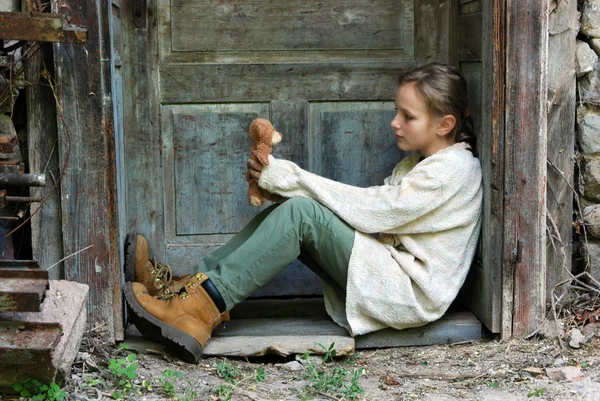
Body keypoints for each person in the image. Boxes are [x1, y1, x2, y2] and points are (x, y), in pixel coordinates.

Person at [123, 62, 483, 363]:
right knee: (298, 211)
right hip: (389, 272)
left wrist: (292, 178)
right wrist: (285, 189)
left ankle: (198, 312)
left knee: (302, 215)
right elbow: (373, 215)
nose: (395, 122)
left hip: (407, 292)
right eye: (396, 111)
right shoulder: (425, 163)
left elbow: (377, 211)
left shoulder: (453, 170)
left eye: (408, 116)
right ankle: (186, 290)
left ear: (444, 124)